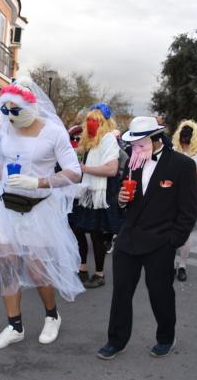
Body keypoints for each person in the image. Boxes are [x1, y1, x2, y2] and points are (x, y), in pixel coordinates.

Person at [0, 77, 84, 349]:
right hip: (6, 207)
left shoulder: (53, 131)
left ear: (31, 106)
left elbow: (75, 172)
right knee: (6, 266)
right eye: (5, 110)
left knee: (38, 270)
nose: (10, 117)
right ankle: (14, 325)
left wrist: (39, 182)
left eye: (16, 110)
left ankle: (52, 316)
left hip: (38, 209)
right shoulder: (6, 128)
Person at [97, 116, 197, 360]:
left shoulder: (182, 165)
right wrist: (121, 201)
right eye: (133, 144)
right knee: (121, 292)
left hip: (160, 242)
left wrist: (172, 241)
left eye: (140, 143)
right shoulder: (133, 162)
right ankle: (116, 340)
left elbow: (189, 211)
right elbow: (123, 200)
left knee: (160, 293)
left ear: (155, 139)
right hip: (129, 238)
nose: (135, 148)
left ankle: (165, 337)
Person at [70, 103, 120, 288]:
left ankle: (99, 274)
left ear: (104, 123)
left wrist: (85, 168)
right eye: (89, 119)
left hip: (98, 194)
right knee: (78, 230)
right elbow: (76, 155)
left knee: (96, 234)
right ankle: (82, 268)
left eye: (95, 120)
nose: (91, 123)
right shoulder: (88, 140)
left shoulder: (108, 139)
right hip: (84, 191)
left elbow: (112, 169)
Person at [172, 120, 197, 282]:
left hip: (192, 194)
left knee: (186, 230)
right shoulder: (173, 150)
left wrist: (187, 166)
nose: (185, 137)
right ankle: (170, 263)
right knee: (169, 228)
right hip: (171, 193)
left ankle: (182, 266)